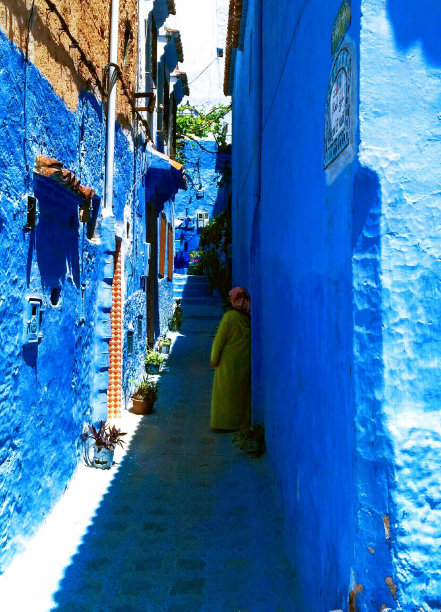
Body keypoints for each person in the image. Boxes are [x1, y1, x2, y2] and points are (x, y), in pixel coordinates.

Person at [210, 287, 251, 430]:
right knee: (240, 394)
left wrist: (214, 358)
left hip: (226, 364)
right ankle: (240, 424)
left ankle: (222, 423)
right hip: (244, 362)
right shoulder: (248, 319)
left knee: (224, 394)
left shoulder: (229, 317)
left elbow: (219, 341)